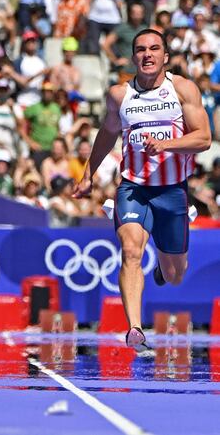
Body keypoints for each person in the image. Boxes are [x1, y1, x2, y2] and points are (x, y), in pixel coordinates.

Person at [74, 28, 211, 351]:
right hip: (133, 188)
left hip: (172, 190)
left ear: (165, 56)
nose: (147, 55)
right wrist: (88, 174)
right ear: (133, 56)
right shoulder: (120, 96)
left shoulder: (182, 90)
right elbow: (107, 134)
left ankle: (166, 268)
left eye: (154, 49)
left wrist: (167, 144)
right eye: (140, 49)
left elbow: (203, 138)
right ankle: (135, 328)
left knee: (175, 273)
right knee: (132, 249)